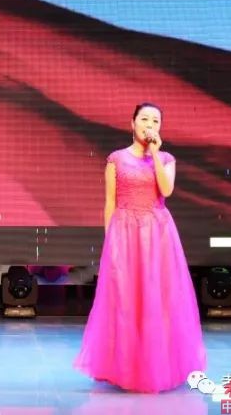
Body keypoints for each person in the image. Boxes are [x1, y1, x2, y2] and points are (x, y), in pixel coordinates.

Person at [74, 102, 206, 393]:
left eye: (156, 121)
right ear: (132, 123)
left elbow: (166, 190)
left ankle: (157, 367)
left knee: (157, 299)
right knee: (126, 299)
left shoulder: (167, 159)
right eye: (144, 119)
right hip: (125, 234)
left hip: (157, 235)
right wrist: (110, 242)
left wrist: (155, 154)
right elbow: (110, 203)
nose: (150, 125)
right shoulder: (116, 159)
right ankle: (124, 368)